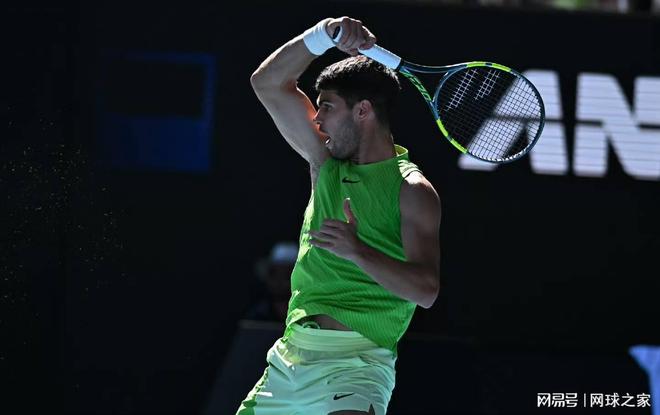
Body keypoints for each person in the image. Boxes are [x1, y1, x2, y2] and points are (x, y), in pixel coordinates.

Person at [240, 16, 441, 415]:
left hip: (357, 366)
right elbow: (268, 84)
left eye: (327, 107)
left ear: (362, 110)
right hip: (290, 360)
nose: (317, 120)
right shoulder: (325, 162)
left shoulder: (412, 190)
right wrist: (324, 34)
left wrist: (357, 251)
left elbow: (425, 291)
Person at [244, 241, 299, 322]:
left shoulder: (311, 313)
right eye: (274, 273)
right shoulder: (257, 312)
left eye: (287, 275)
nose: (279, 281)